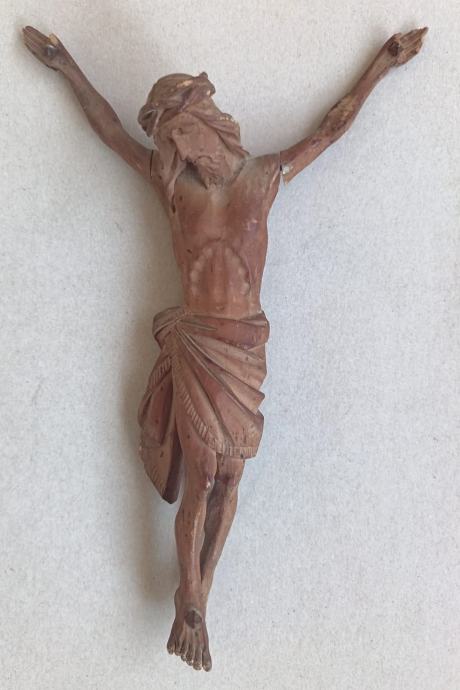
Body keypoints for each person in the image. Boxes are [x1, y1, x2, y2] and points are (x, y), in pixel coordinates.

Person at [23, 25, 427, 672]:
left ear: (207, 121)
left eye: (182, 132)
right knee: (203, 476)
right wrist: (66, 66)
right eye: (169, 141)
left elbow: (331, 129)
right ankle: (189, 597)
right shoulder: (175, 192)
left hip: (243, 348)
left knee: (232, 477)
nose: (178, 149)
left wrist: (382, 63)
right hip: (199, 345)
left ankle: (200, 595)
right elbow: (112, 135)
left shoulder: (264, 177)